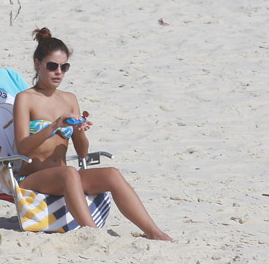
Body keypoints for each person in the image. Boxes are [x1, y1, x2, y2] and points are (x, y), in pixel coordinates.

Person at [13, 27, 172, 241]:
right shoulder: (26, 98)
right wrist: (55, 125)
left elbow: (82, 153)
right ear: (37, 64)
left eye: (64, 67)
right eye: (52, 66)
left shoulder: (69, 99)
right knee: (69, 173)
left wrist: (79, 132)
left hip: (65, 176)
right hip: (32, 177)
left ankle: (154, 232)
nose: (58, 72)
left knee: (111, 173)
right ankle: (94, 234)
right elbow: (22, 147)